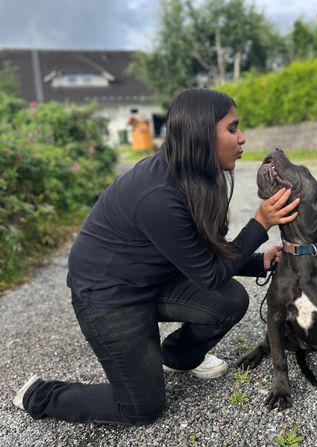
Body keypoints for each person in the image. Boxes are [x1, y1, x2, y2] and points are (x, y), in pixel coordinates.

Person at [12, 88, 300, 425]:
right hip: (109, 297)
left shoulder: (198, 175)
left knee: (229, 300)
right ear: (201, 134)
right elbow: (209, 275)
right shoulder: (158, 195)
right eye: (233, 128)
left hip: (153, 279)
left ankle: (178, 356)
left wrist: (256, 261)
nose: (242, 139)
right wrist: (260, 223)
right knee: (140, 407)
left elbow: (203, 254)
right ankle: (40, 394)